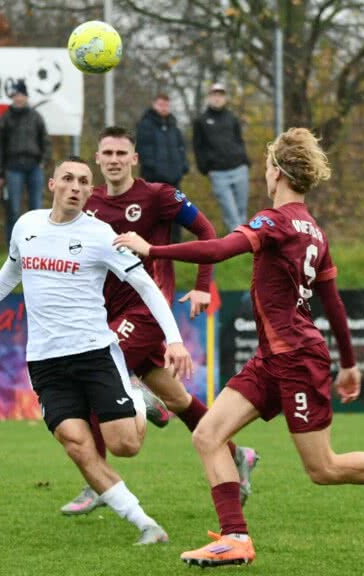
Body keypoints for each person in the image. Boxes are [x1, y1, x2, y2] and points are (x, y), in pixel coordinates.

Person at [115, 128, 364, 568]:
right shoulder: (315, 230)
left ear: (278, 172)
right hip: (274, 357)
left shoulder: (274, 221)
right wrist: (350, 362)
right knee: (208, 435)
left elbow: (222, 248)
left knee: (324, 469)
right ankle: (235, 538)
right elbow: (333, 302)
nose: (264, 176)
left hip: (297, 358)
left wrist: (153, 248)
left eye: (266, 168)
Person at [0, 156, 192, 546]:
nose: (76, 187)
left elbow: (145, 285)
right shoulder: (26, 225)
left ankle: (137, 398)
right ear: (53, 184)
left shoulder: (100, 234)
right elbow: (12, 269)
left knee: (125, 445)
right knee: (77, 444)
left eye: (83, 182)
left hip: (94, 353)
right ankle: (146, 524)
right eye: (69, 179)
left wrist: (174, 339)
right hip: (45, 361)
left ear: (90, 192)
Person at [58, 126, 259, 517]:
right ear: (97, 159)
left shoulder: (158, 196)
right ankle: (239, 455)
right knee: (179, 399)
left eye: (121, 153)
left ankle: (98, 481)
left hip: (147, 311)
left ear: (134, 159)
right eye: (107, 153)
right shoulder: (91, 201)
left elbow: (206, 231)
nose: (114, 160)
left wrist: (203, 286)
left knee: (92, 376)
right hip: (107, 313)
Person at [0, 79, 52, 242]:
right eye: (15, 95)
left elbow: (46, 141)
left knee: (36, 210)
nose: (18, 98)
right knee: (13, 209)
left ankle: (36, 244)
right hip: (12, 168)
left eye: (21, 95)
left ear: (26, 96)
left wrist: (43, 161)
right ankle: (13, 246)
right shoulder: (5, 119)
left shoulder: (36, 117)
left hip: (34, 167)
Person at [193, 83, 251, 232]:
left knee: (241, 212)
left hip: (239, 169)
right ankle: (237, 246)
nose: (217, 98)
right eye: (214, 95)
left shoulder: (232, 118)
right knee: (231, 214)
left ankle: (243, 247)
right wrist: (205, 168)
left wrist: (245, 161)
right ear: (209, 97)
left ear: (225, 98)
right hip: (218, 173)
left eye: (220, 95)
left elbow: (239, 140)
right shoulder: (201, 120)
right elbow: (198, 147)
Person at [137, 93, 191, 242]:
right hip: (154, 179)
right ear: (154, 104)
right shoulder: (145, 125)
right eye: (161, 104)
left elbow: (181, 148)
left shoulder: (174, 126)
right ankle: (155, 243)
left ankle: (175, 243)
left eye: (166, 105)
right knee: (155, 212)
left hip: (175, 179)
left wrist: (183, 167)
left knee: (176, 210)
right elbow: (142, 150)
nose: (164, 108)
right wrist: (155, 169)